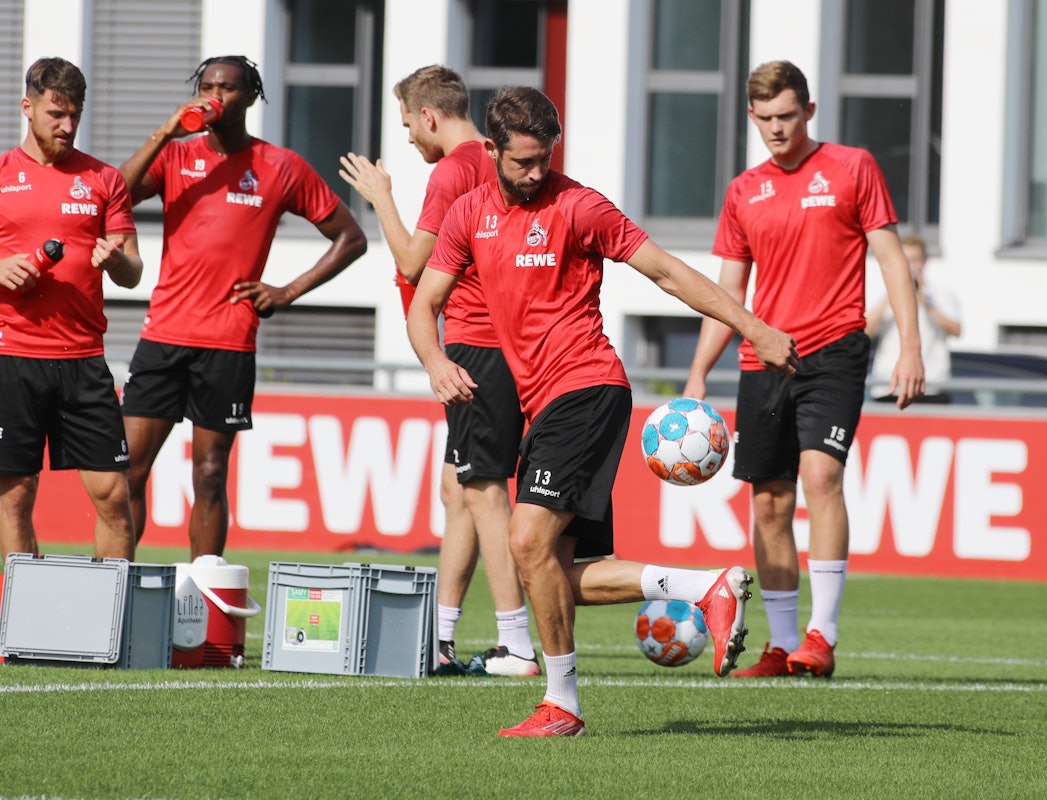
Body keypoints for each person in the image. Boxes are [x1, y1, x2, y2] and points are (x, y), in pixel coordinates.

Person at [408, 86, 799, 737]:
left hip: (586, 388)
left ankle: (561, 704)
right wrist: (435, 362)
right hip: (545, 402)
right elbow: (425, 304)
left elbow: (668, 273)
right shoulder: (466, 213)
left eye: (544, 160)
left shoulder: (579, 205)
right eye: (522, 162)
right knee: (557, 576)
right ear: (493, 151)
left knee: (524, 539)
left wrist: (751, 328)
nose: (536, 173)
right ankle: (703, 587)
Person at [683, 60, 925, 679]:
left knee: (820, 478)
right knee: (768, 503)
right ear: (751, 118)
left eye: (787, 116)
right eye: (764, 119)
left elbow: (893, 263)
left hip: (835, 351)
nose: (776, 129)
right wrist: (696, 373)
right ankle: (783, 644)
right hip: (764, 357)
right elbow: (728, 293)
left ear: (809, 112)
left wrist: (911, 347)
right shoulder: (743, 190)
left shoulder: (853, 168)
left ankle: (823, 633)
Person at [118, 56, 367, 559]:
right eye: (207, 86)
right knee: (127, 473)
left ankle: (206, 614)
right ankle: (112, 597)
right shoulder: (174, 158)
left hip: (227, 342)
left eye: (227, 88)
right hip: (164, 335)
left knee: (209, 475)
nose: (215, 96)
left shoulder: (280, 166)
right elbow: (114, 196)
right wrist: (166, 131)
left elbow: (351, 237)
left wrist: (287, 291)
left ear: (250, 97)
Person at [338, 65, 537, 677]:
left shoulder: (453, 169)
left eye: (407, 124)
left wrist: (381, 198)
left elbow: (411, 260)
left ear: (429, 116)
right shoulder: (491, 156)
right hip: (504, 339)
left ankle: (516, 644)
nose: (407, 139)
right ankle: (441, 638)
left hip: (477, 341)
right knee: (459, 490)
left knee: (483, 491)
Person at [0, 57, 143, 561]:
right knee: (15, 498)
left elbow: (134, 271)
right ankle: (24, 630)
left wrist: (116, 261)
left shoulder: (104, 179)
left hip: (83, 360)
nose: (66, 126)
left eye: (74, 115)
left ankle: (112, 627)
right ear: (28, 107)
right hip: (12, 358)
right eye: (55, 114)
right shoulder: (1, 173)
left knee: (113, 496)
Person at [867, 234, 961, 402]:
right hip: (888, 385)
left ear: (925, 260)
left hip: (931, 386)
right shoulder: (883, 295)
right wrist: (894, 292)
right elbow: (866, 330)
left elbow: (956, 330)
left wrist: (924, 301)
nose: (911, 265)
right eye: (906, 259)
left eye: (915, 259)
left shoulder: (940, 295)